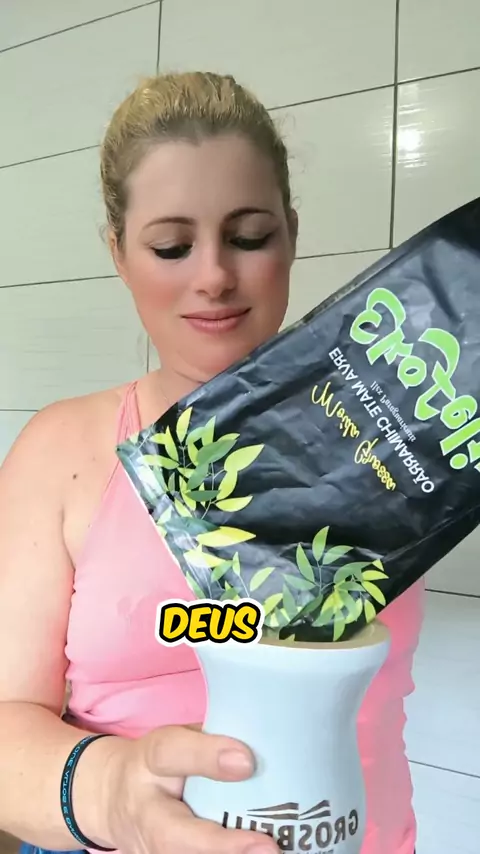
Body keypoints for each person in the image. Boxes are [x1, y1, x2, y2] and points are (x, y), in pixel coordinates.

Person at [0, 71, 424, 854]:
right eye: (171, 246)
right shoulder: (60, 452)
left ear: (291, 233)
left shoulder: (388, 439)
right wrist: (117, 794)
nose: (214, 277)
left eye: (249, 236)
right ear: (119, 254)